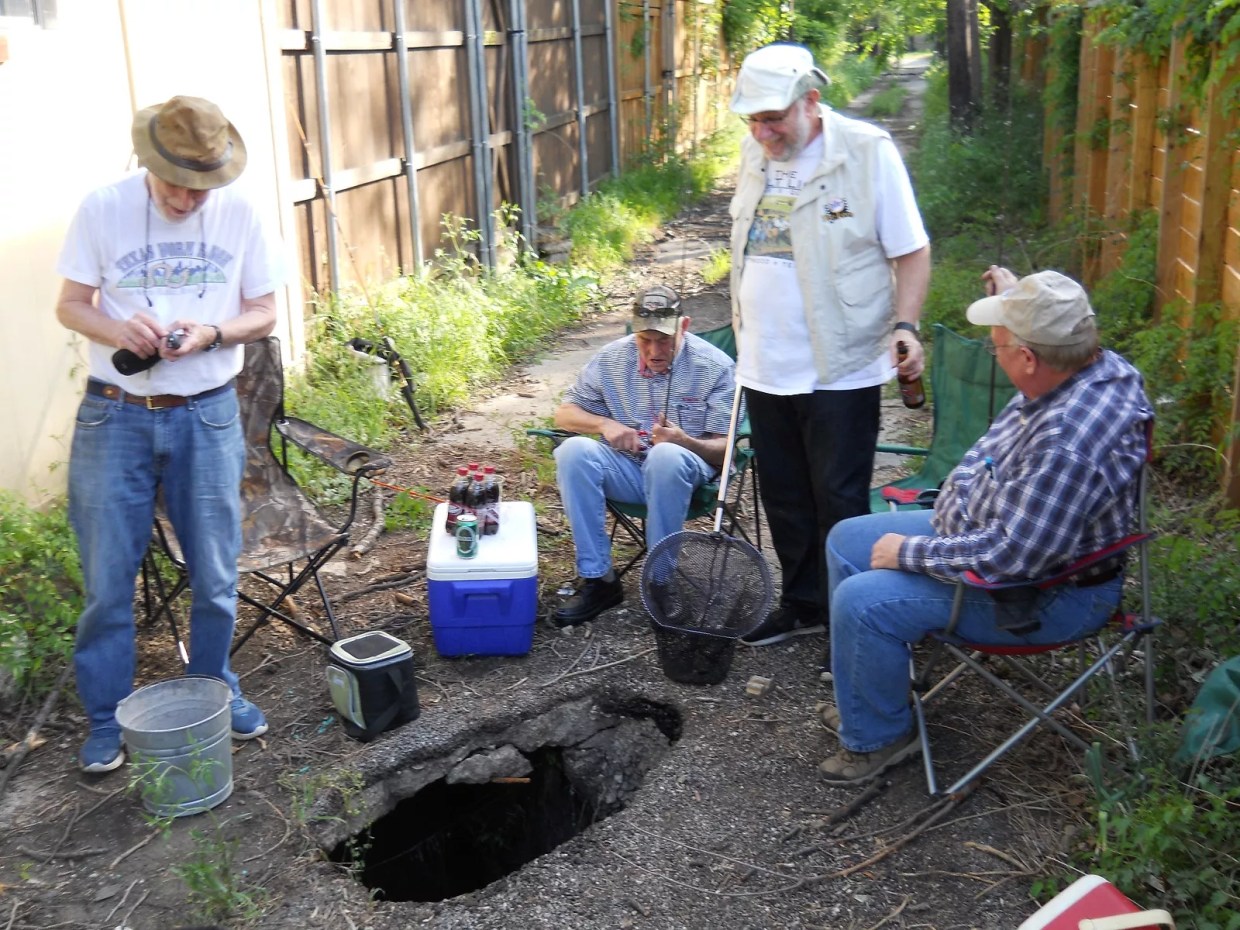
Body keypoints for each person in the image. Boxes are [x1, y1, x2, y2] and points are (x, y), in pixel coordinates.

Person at [817, 268, 1154, 784]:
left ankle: (880, 739)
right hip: (987, 533)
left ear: (1028, 358)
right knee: (845, 539)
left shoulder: (1069, 443)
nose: (993, 352)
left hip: (1044, 594)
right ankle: (874, 701)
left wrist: (908, 554)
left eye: (998, 346)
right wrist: (1025, 301)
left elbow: (1014, 557)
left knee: (862, 601)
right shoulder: (1084, 365)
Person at [56, 95, 282, 773]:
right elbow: (70, 304)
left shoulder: (238, 215)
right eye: (177, 184)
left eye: (203, 185)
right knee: (106, 579)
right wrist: (117, 328)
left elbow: (264, 312)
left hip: (207, 412)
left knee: (215, 574)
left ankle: (214, 687)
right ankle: (106, 718)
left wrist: (214, 332)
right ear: (148, 165)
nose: (189, 199)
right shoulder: (103, 209)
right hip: (115, 413)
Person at [727, 44, 932, 648]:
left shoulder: (866, 153)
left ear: (811, 102)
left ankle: (850, 618)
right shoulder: (753, 153)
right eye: (753, 121)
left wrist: (906, 325)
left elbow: (912, 250)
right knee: (783, 493)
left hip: (839, 365)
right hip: (765, 362)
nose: (763, 132)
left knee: (838, 500)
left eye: (774, 119)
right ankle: (803, 604)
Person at [551, 285, 738, 627]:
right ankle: (599, 581)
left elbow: (726, 449)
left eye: (664, 340)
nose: (654, 351)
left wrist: (685, 441)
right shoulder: (611, 358)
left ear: (684, 326)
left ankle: (660, 582)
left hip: (685, 476)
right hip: (628, 470)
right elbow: (563, 415)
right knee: (572, 450)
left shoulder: (715, 366)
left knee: (666, 456)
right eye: (644, 340)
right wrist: (605, 424)